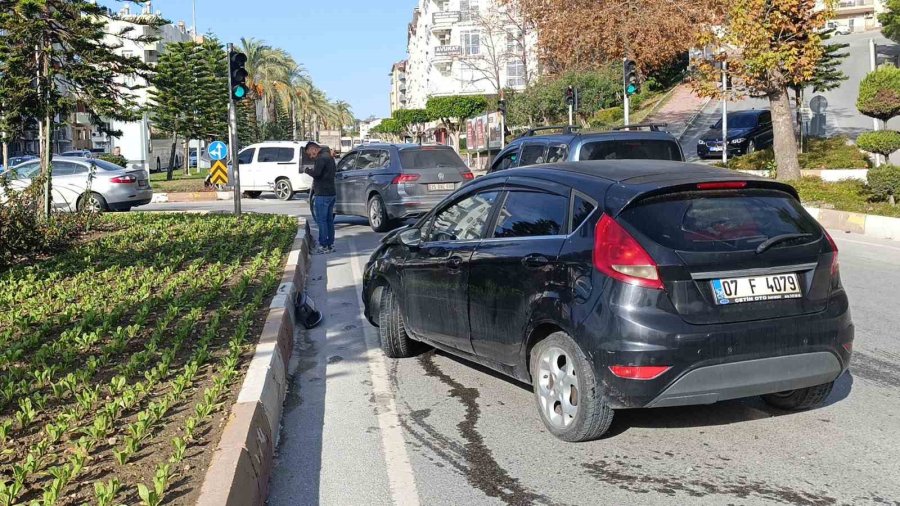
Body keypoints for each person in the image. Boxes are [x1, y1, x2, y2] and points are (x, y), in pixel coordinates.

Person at [304, 141, 336, 254]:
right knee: (329, 220)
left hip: (322, 193)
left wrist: (307, 171)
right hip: (331, 193)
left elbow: (317, 174)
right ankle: (331, 244)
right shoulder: (330, 157)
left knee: (322, 220)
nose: (311, 157)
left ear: (314, 149)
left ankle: (323, 245)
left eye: (310, 154)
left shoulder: (321, 158)